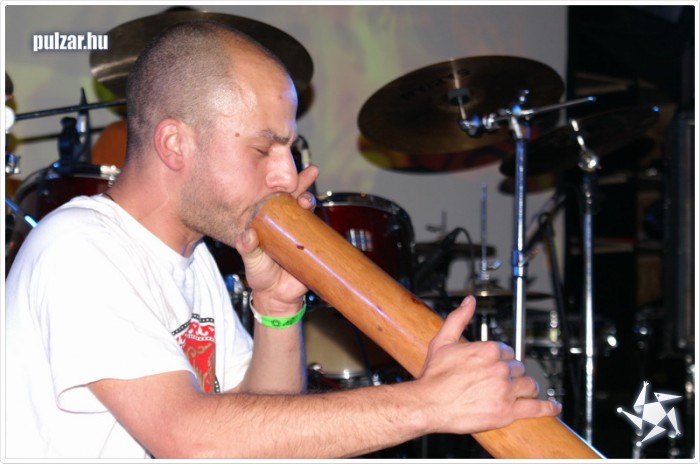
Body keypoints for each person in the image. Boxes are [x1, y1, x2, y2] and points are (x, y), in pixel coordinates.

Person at [4, 21, 561, 459]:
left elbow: (260, 430)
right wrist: (427, 403)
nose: (287, 176)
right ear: (175, 144)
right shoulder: (78, 248)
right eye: (263, 148)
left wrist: (277, 309)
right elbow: (189, 439)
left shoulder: (193, 259)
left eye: (289, 149)